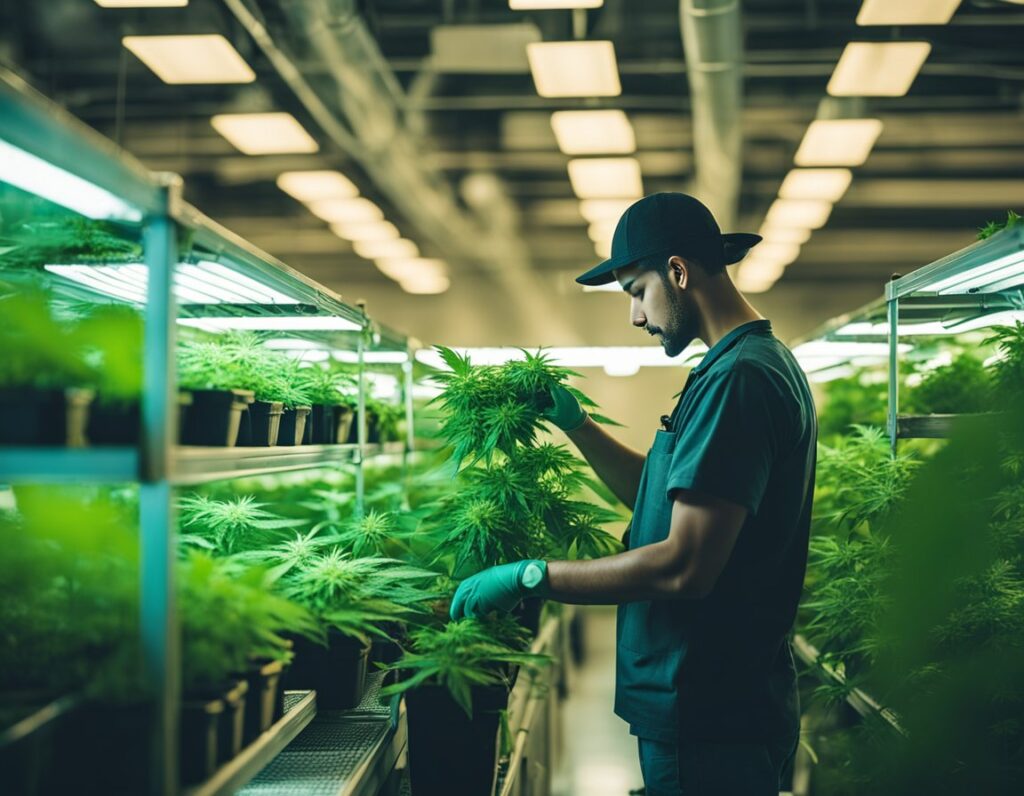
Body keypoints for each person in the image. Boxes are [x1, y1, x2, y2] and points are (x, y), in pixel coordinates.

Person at [449, 192, 817, 796]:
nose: (635, 317)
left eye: (635, 292)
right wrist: (577, 425)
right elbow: (661, 497)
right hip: (711, 704)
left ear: (677, 272)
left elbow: (684, 567)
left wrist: (532, 576)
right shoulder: (734, 368)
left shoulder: (741, 379)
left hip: (708, 710)